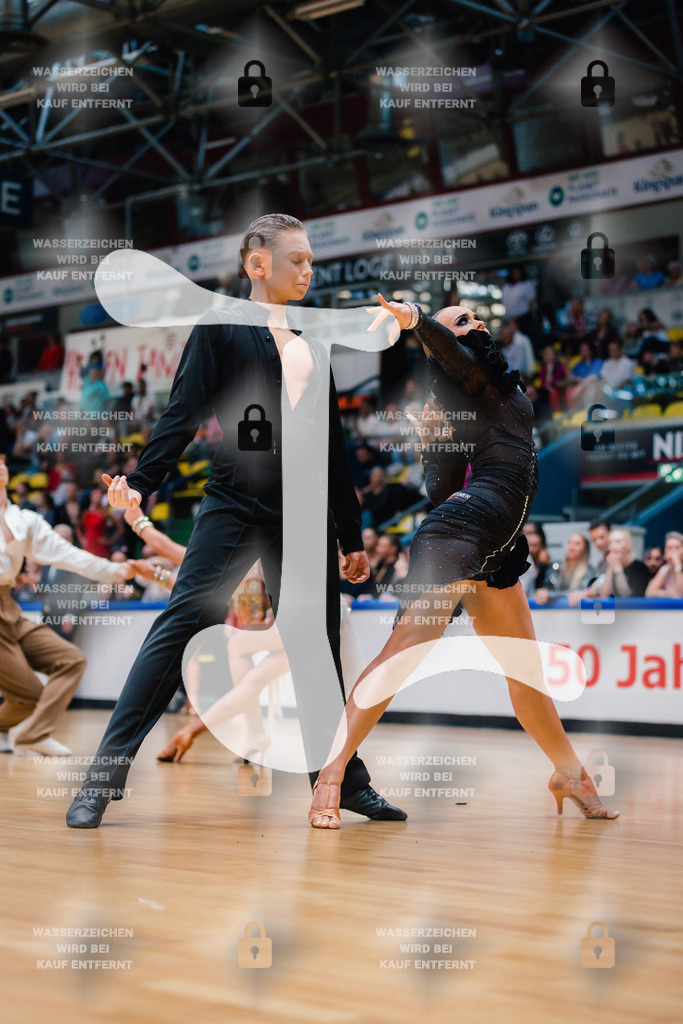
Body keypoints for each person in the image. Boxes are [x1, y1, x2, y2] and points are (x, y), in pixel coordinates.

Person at [66, 213, 406, 828]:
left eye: (309, 260)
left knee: (317, 650)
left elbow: (331, 440)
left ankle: (343, 782)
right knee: (180, 624)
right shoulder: (220, 324)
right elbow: (183, 413)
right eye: (296, 260)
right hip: (233, 499)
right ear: (258, 264)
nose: (308, 270)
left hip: (303, 509)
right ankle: (103, 777)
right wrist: (140, 483)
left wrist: (350, 535)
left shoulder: (312, 330)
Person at [308, 297, 618, 828]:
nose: (474, 324)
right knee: (402, 654)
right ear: (443, 345)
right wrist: (418, 326)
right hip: (458, 535)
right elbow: (442, 490)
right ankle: (331, 773)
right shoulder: (461, 381)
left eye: (476, 318)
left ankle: (571, 773)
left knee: (526, 672)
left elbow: (458, 371)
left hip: (500, 546)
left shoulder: (492, 386)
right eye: (461, 322)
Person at [0, 454, 135, 756]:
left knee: (71, 659)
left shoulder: (25, 519)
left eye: (2, 463)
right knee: (30, 694)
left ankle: (32, 736)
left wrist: (113, 571)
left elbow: (68, 555)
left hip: (7, 608)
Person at [534, 533, 595, 607]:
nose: (571, 547)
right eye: (570, 543)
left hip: (576, 612)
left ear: (584, 549)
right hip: (554, 612)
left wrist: (549, 595)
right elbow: (547, 587)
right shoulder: (556, 566)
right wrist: (543, 593)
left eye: (577, 544)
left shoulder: (589, 570)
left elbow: (577, 592)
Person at [589, 528, 650, 599]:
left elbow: (628, 598)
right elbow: (604, 597)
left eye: (618, 542)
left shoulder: (640, 568)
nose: (612, 547)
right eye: (610, 543)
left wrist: (618, 571)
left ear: (629, 545)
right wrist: (610, 570)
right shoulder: (609, 565)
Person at [645, 532, 683, 598]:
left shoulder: (676, 567)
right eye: (669, 548)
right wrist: (667, 594)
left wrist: (677, 566)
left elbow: (681, 593)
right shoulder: (666, 568)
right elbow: (649, 592)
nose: (673, 551)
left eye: (677, 547)